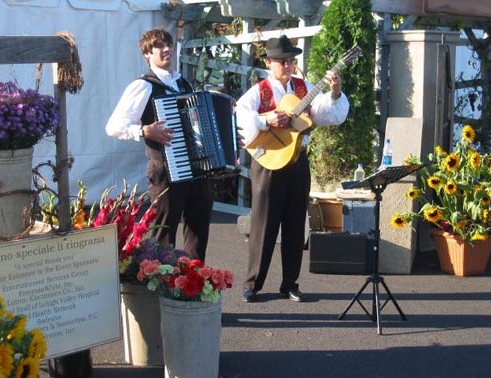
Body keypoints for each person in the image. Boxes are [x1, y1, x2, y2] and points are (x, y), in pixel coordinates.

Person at [236, 35, 350, 302]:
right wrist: (266, 120)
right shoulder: (259, 90)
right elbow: (240, 117)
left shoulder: (303, 87)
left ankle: (290, 283)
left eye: (291, 61)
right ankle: (253, 283)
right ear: (270, 63)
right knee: (263, 223)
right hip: (268, 161)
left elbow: (324, 114)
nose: (288, 66)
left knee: (295, 223)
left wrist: (334, 92)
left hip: (298, 159)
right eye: (282, 61)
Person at [106, 27, 213, 261]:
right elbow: (113, 126)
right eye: (159, 46)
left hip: (194, 168)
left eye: (168, 44)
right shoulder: (143, 86)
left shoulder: (183, 83)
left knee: (198, 226)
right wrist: (144, 130)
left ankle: (193, 279)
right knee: (164, 230)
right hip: (165, 170)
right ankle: (161, 284)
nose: (166, 49)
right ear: (147, 53)